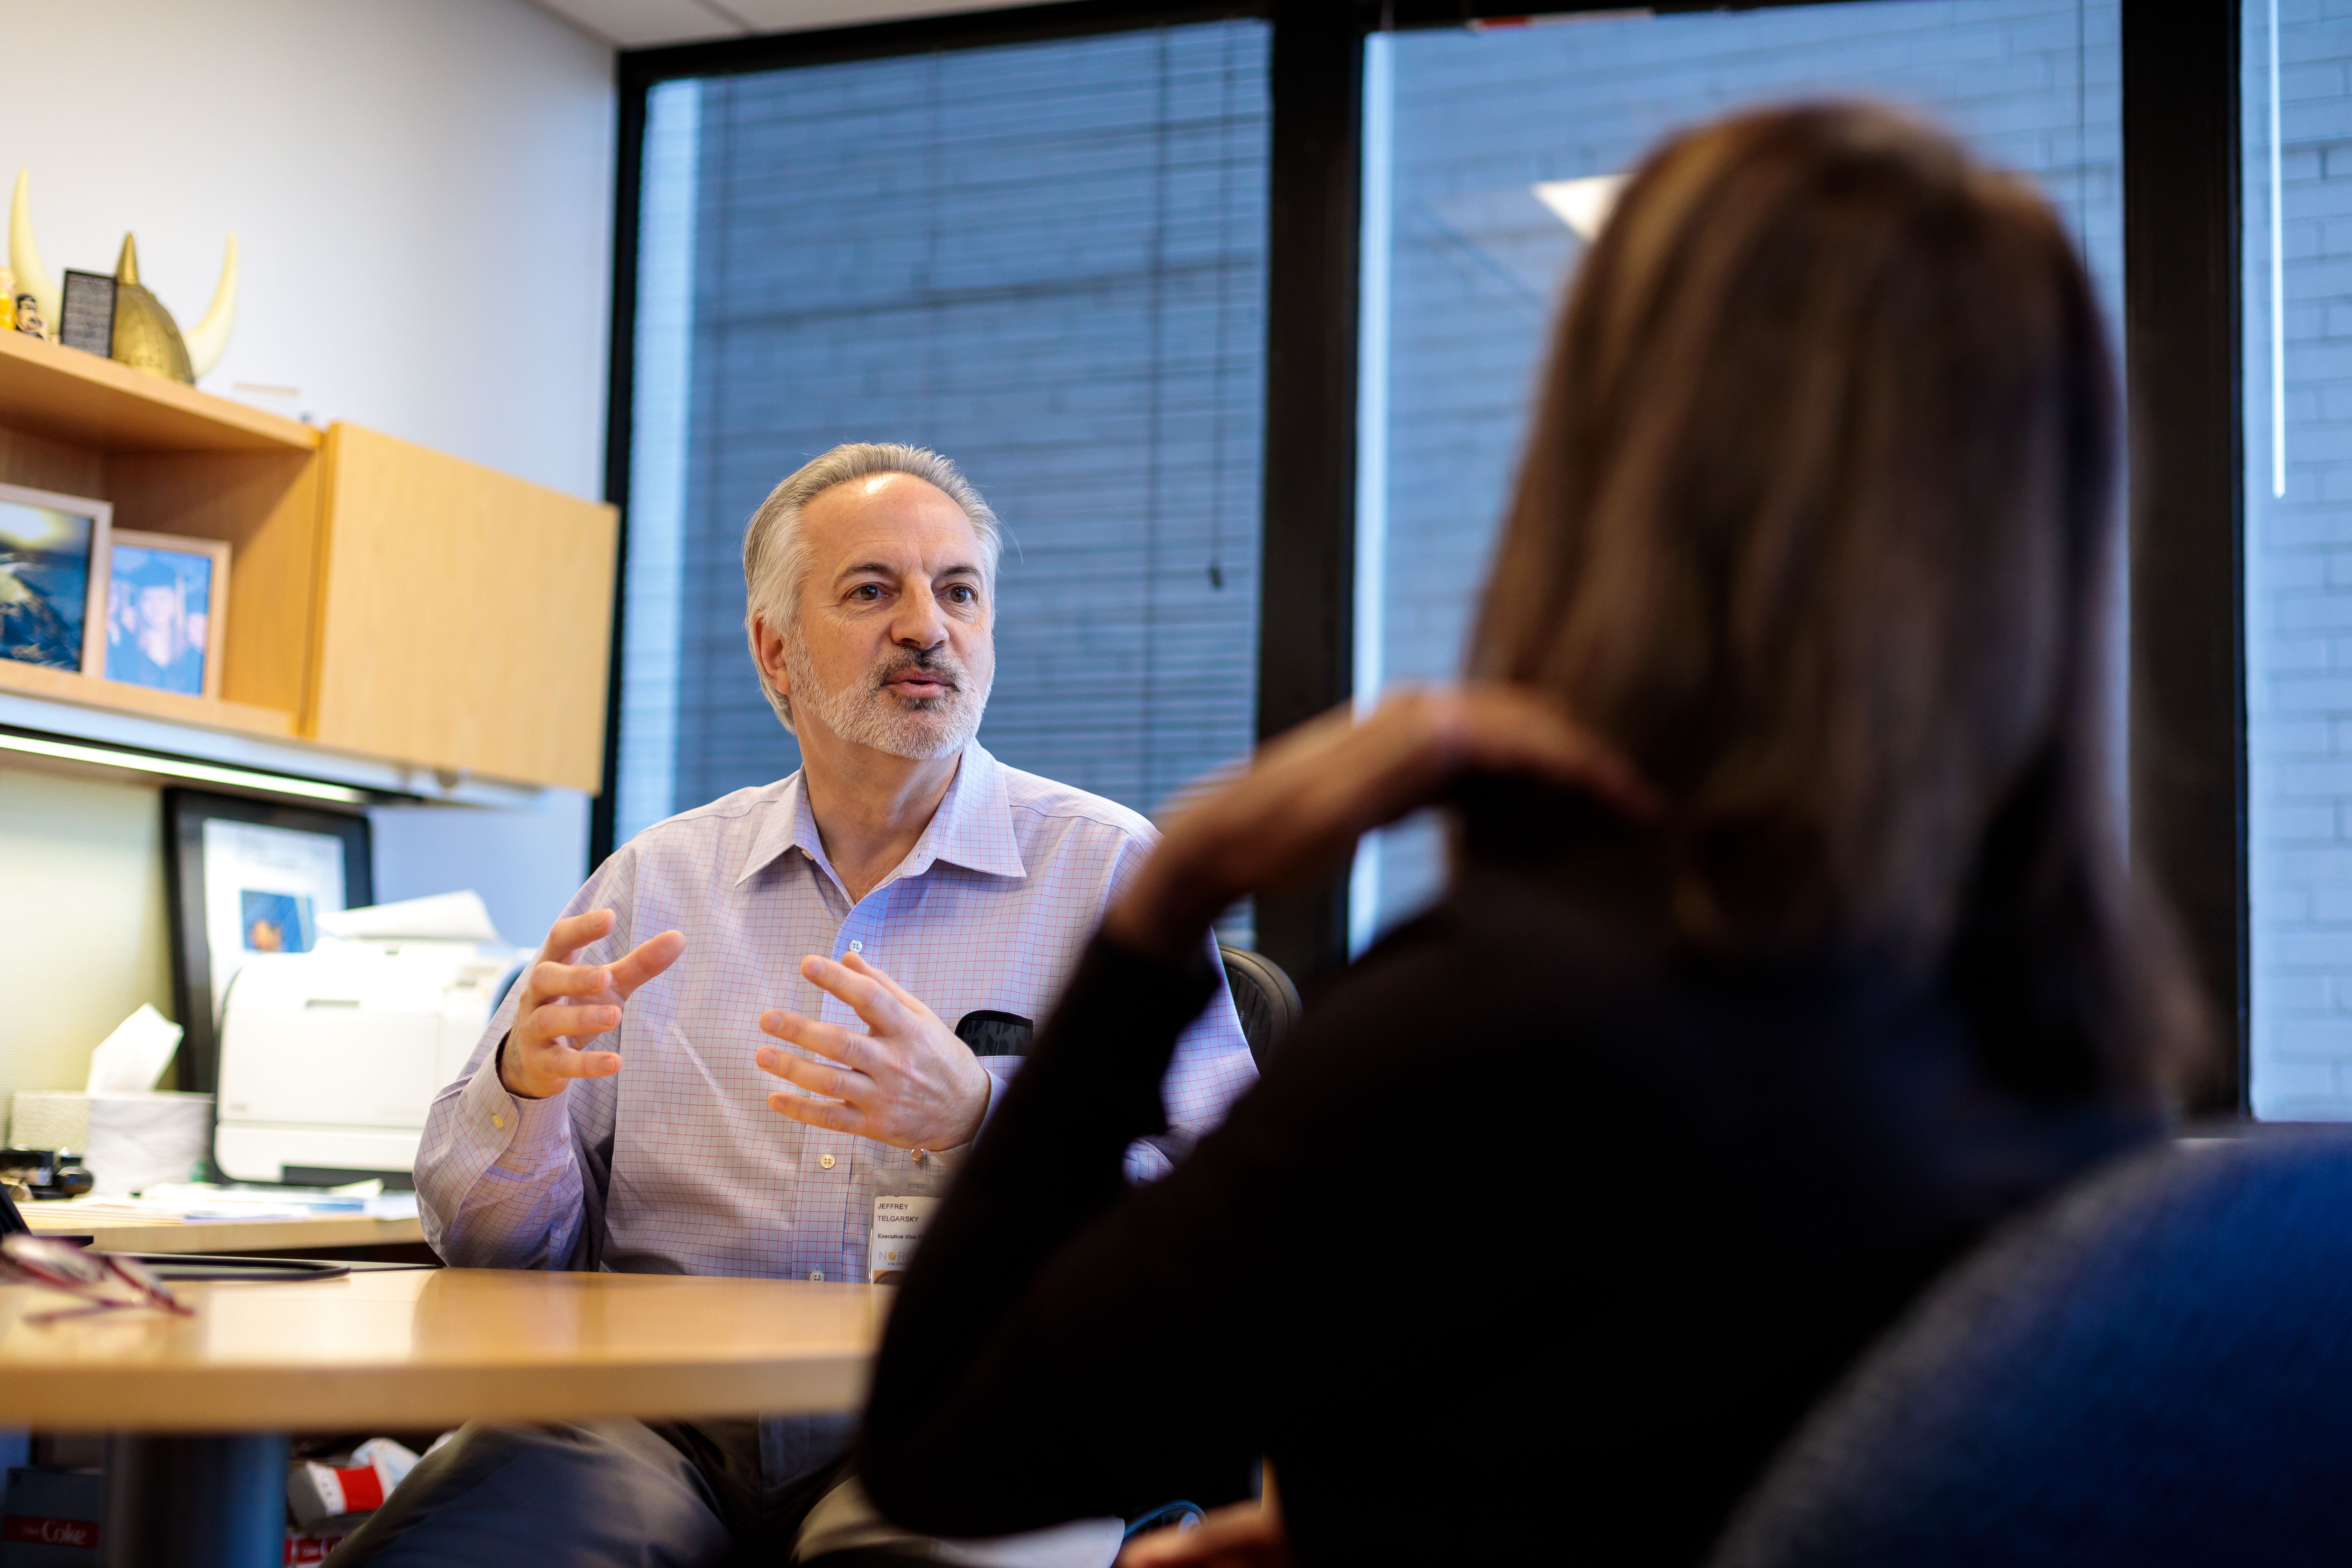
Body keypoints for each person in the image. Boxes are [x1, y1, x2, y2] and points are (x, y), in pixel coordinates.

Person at [855, 104, 2210, 1567]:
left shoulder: (1506, 1018)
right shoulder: (2075, 1050)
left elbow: (943, 1448)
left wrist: (1166, 907)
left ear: (1617, 473)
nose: (929, 626)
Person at [327, 443, 1258, 1568]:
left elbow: (1237, 1233)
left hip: (972, 1415)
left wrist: (982, 1118)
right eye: (874, 591)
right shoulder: (653, 885)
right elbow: (486, 1253)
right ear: (775, 652)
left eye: (959, 593)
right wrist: (522, 1090)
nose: (928, 626)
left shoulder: (1111, 876)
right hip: (651, 1427)